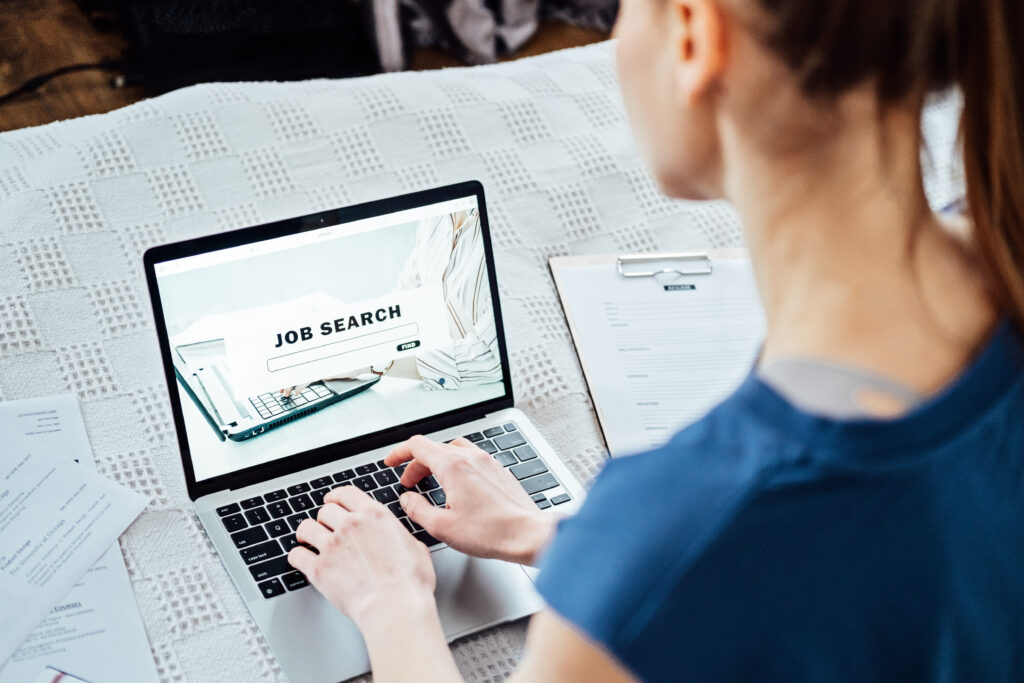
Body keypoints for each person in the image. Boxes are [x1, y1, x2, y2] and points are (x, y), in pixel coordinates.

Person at [286, 0, 1024, 680]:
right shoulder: (1002, 261)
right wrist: (550, 536)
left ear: (697, 36)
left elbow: (735, 555)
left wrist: (393, 602)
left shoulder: (664, 542)